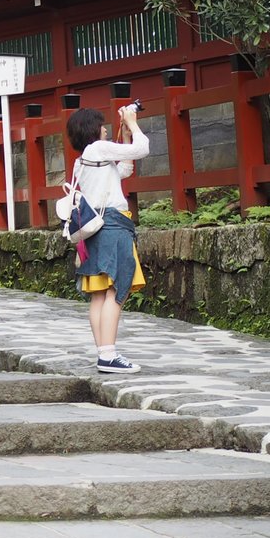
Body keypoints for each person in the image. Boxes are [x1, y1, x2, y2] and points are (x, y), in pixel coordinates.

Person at [67, 103, 150, 373]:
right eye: (102, 125)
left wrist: (124, 136)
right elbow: (143, 149)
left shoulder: (81, 161)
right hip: (113, 226)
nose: (105, 129)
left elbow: (123, 171)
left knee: (99, 295)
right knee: (117, 288)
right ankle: (109, 354)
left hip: (95, 229)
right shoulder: (99, 149)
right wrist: (133, 122)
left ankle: (104, 352)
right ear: (93, 129)